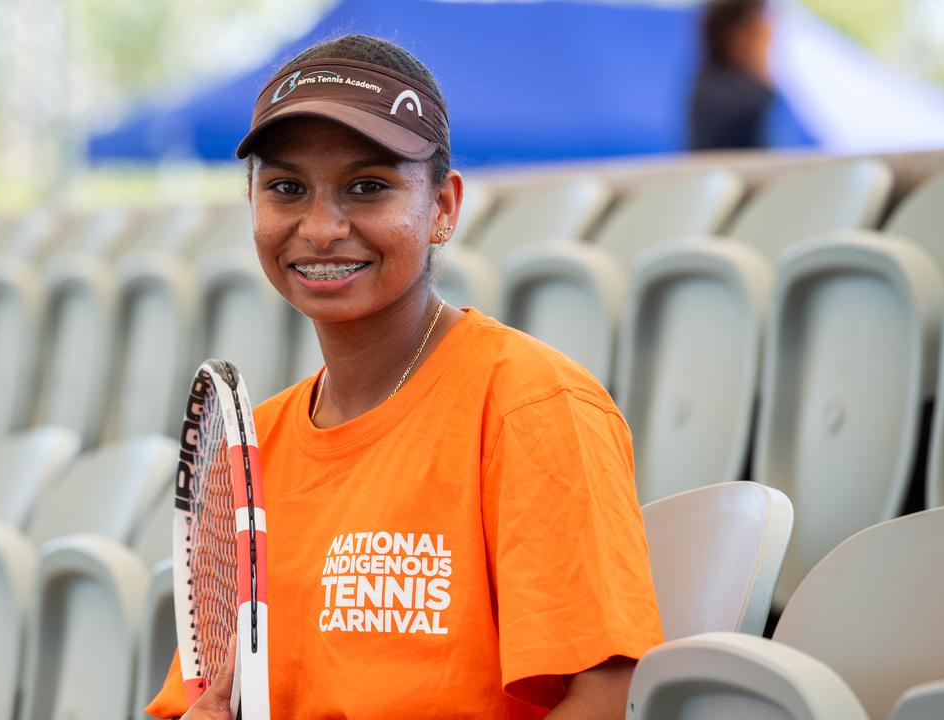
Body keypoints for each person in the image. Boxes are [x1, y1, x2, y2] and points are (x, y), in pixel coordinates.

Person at [148, 34, 664, 719]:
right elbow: (200, 700)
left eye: (368, 187)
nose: (323, 227)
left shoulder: (531, 404)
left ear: (444, 208)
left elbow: (608, 695)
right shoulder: (250, 448)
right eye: (286, 188)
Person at [688, 0, 776, 150]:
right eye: (760, 21)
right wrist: (759, 62)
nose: (769, 30)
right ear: (738, 35)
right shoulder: (732, 97)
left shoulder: (710, 74)